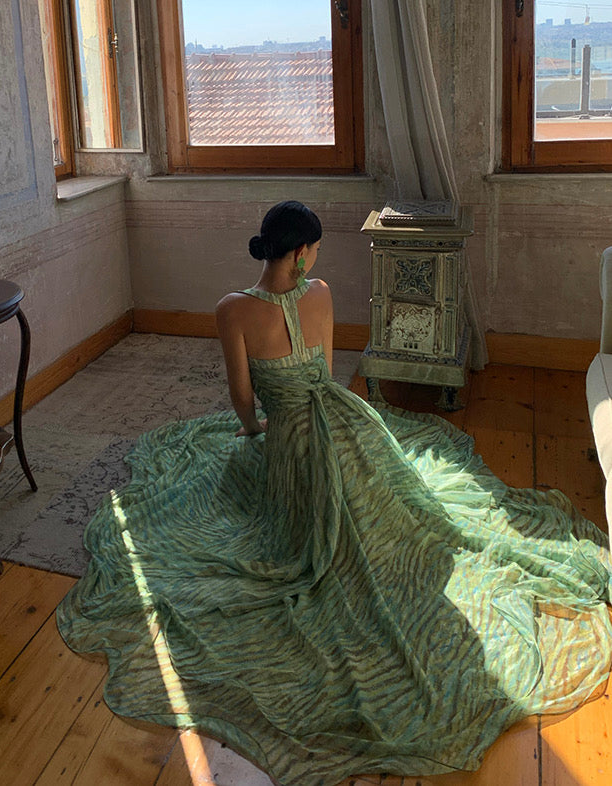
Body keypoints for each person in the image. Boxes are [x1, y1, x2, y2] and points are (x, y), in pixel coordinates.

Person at [57, 201, 612, 786]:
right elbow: (322, 372)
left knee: (242, 498)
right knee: (392, 503)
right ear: (300, 254)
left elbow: (243, 399)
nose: (316, 259)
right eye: (315, 249)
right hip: (346, 425)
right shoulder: (320, 294)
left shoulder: (231, 310)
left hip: (288, 439)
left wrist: (255, 433)